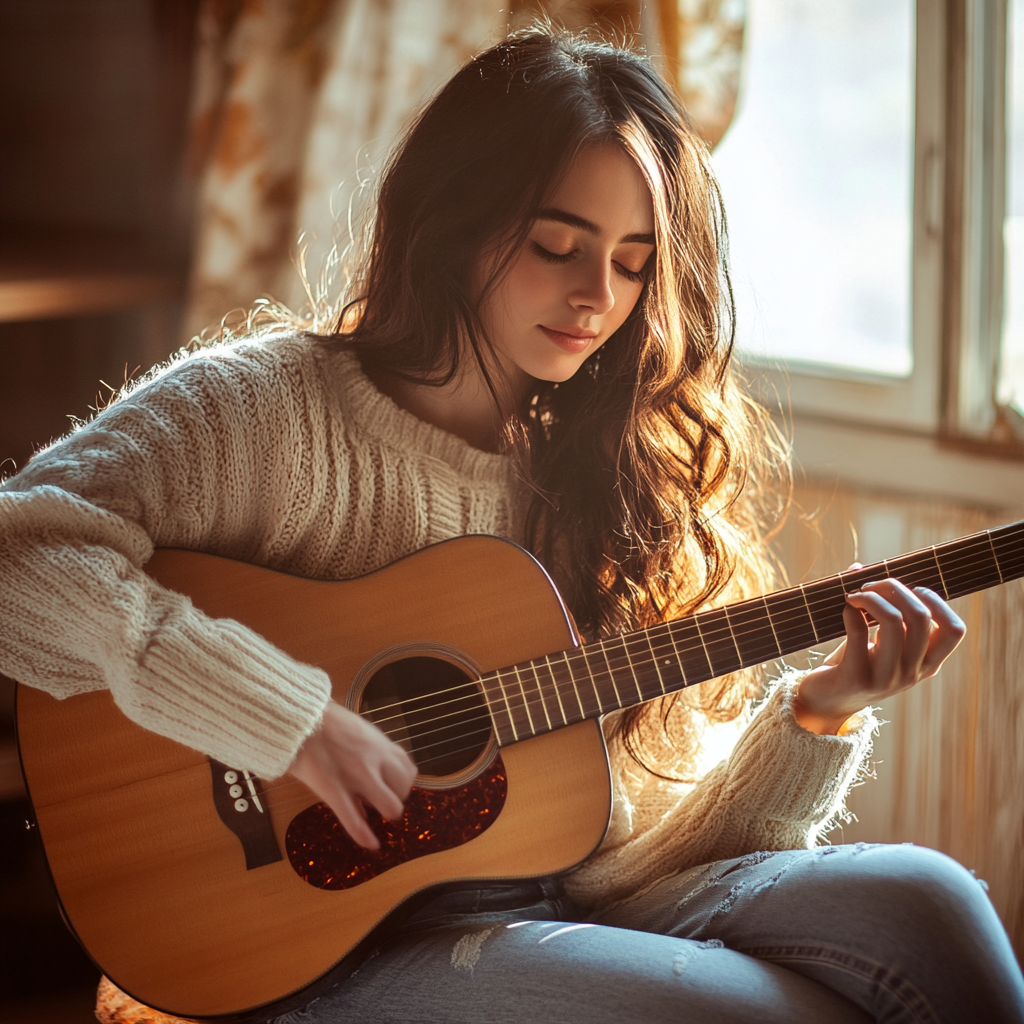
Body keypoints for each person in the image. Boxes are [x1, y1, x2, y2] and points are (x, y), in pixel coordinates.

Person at [1, 28, 1022, 1024]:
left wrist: (818, 710)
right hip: (311, 957)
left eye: (632, 262)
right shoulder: (264, 410)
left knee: (930, 909)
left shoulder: (602, 479)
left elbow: (625, 866)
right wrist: (285, 717)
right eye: (556, 244)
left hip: (549, 910)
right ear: (454, 224)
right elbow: (19, 555)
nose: (598, 297)